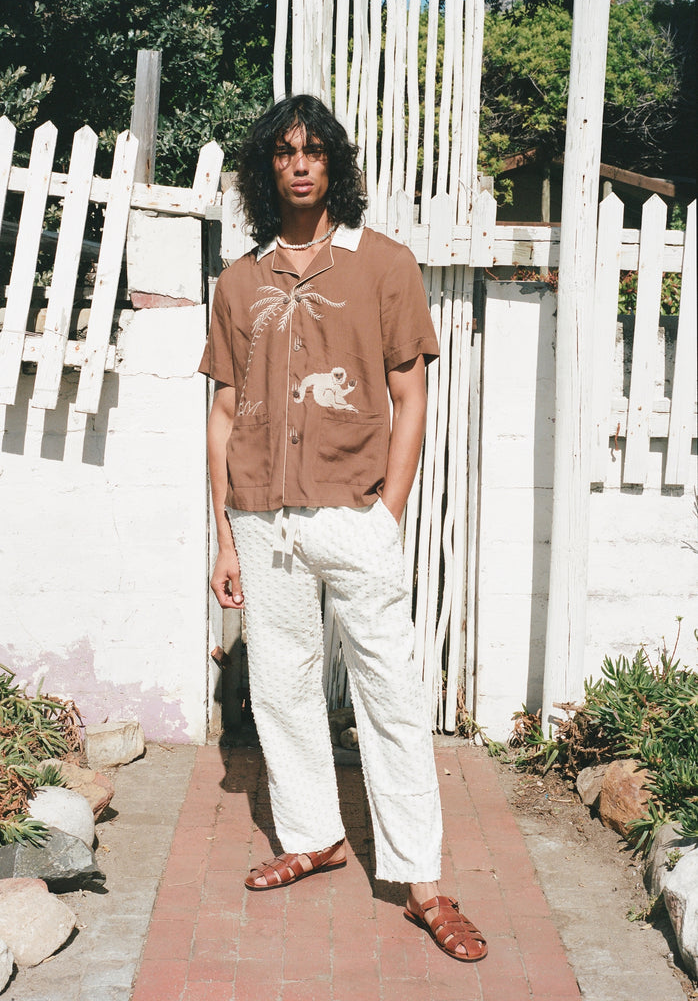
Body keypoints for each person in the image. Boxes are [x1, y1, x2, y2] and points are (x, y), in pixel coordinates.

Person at [198, 93, 487, 964]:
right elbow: (222, 409)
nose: (299, 164)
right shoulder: (240, 280)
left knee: (391, 695)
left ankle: (421, 881)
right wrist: (222, 535)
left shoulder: (382, 264)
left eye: (314, 150)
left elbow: (411, 394)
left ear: (334, 165)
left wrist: (388, 510)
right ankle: (313, 835)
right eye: (284, 152)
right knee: (281, 686)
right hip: (261, 517)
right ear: (265, 169)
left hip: (353, 513)